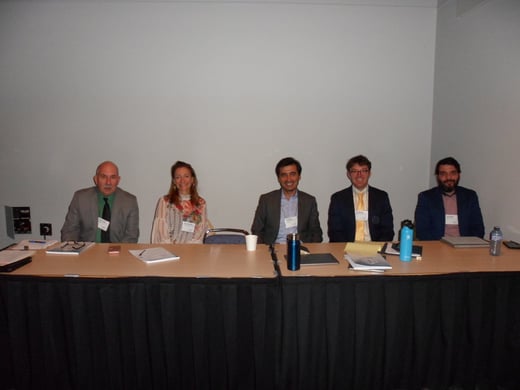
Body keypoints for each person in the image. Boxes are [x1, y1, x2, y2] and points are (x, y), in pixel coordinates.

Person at [61, 161, 139, 243]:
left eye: (112, 177)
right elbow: (70, 231)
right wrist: (73, 249)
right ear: (96, 179)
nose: (108, 182)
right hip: (87, 252)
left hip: (117, 251)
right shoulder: (80, 198)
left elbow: (131, 237)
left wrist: (117, 253)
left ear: (118, 180)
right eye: (103, 177)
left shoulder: (130, 202)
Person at [251, 157, 322, 244]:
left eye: (292, 174)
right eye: (284, 175)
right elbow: (257, 230)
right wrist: (264, 251)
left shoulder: (309, 201)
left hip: (301, 249)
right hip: (273, 249)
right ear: (278, 178)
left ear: (299, 176)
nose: (288, 179)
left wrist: (311, 251)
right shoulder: (266, 200)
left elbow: (316, 232)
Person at [414, 157, 484, 240]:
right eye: (443, 174)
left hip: (464, 246)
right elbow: (422, 231)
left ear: (458, 175)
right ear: (438, 176)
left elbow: (478, 230)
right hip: (437, 246)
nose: (448, 177)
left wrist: (465, 245)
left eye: (453, 173)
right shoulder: (426, 197)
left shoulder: (470, 196)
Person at [328, 155, 394, 242]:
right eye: (354, 171)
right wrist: (347, 248)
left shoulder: (381, 197)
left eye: (364, 171)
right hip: (346, 248)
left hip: (375, 248)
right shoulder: (338, 199)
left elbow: (387, 231)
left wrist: (377, 248)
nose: (359, 175)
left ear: (369, 173)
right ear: (348, 174)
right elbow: (334, 232)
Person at [151, 161, 209, 243]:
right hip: (168, 251)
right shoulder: (164, 201)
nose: (182, 180)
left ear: (192, 179)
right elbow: (161, 233)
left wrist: (187, 250)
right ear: (174, 181)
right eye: (178, 177)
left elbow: (200, 233)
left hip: (193, 251)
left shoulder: (201, 203)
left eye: (186, 176)